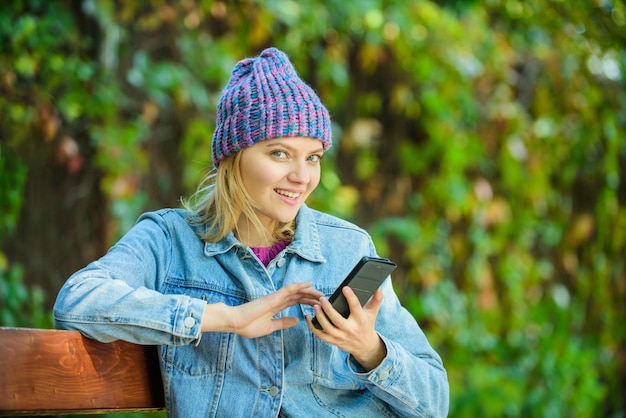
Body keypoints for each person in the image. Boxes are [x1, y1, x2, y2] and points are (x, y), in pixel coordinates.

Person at [53, 47, 449, 418]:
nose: (301, 176)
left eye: (313, 158)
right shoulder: (170, 240)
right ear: (233, 156)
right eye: (280, 153)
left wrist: (368, 349)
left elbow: (435, 401)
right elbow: (77, 302)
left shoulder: (347, 247)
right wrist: (225, 318)